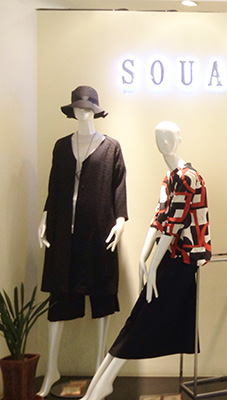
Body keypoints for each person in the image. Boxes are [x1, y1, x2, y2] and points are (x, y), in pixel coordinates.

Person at [80, 121, 211, 400]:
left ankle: (103, 385)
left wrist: (152, 265)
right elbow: (160, 216)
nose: (163, 142)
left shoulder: (188, 177)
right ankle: (100, 384)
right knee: (138, 318)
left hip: (184, 259)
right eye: (159, 137)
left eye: (169, 137)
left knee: (144, 320)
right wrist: (144, 255)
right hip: (170, 256)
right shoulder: (170, 177)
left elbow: (175, 223)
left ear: (179, 138)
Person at [38, 86, 127, 397]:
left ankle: (100, 372)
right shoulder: (62, 146)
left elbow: (119, 187)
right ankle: (51, 369)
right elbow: (53, 186)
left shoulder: (111, 147)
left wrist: (121, 220)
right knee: (59, 296)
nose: (83, 112)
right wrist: (45, 217)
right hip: (63, 232)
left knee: (101, 295)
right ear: (72, 110)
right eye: (78, 107)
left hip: (99, 232)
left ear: (96, 111)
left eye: (88, 108)